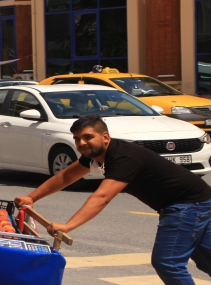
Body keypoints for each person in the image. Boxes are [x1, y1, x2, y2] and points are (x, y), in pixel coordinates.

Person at [14, 115, 211, 284]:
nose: (82, 143)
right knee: (205, 259)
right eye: (77, 139)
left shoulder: (123, 157)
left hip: (188, 205)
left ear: (105, 137)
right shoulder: (96, 156)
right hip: (196, 202)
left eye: (88, 137)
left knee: (167, 262)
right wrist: (31, 197)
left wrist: (68, 225)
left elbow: (102, 196)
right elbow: (66, 177)